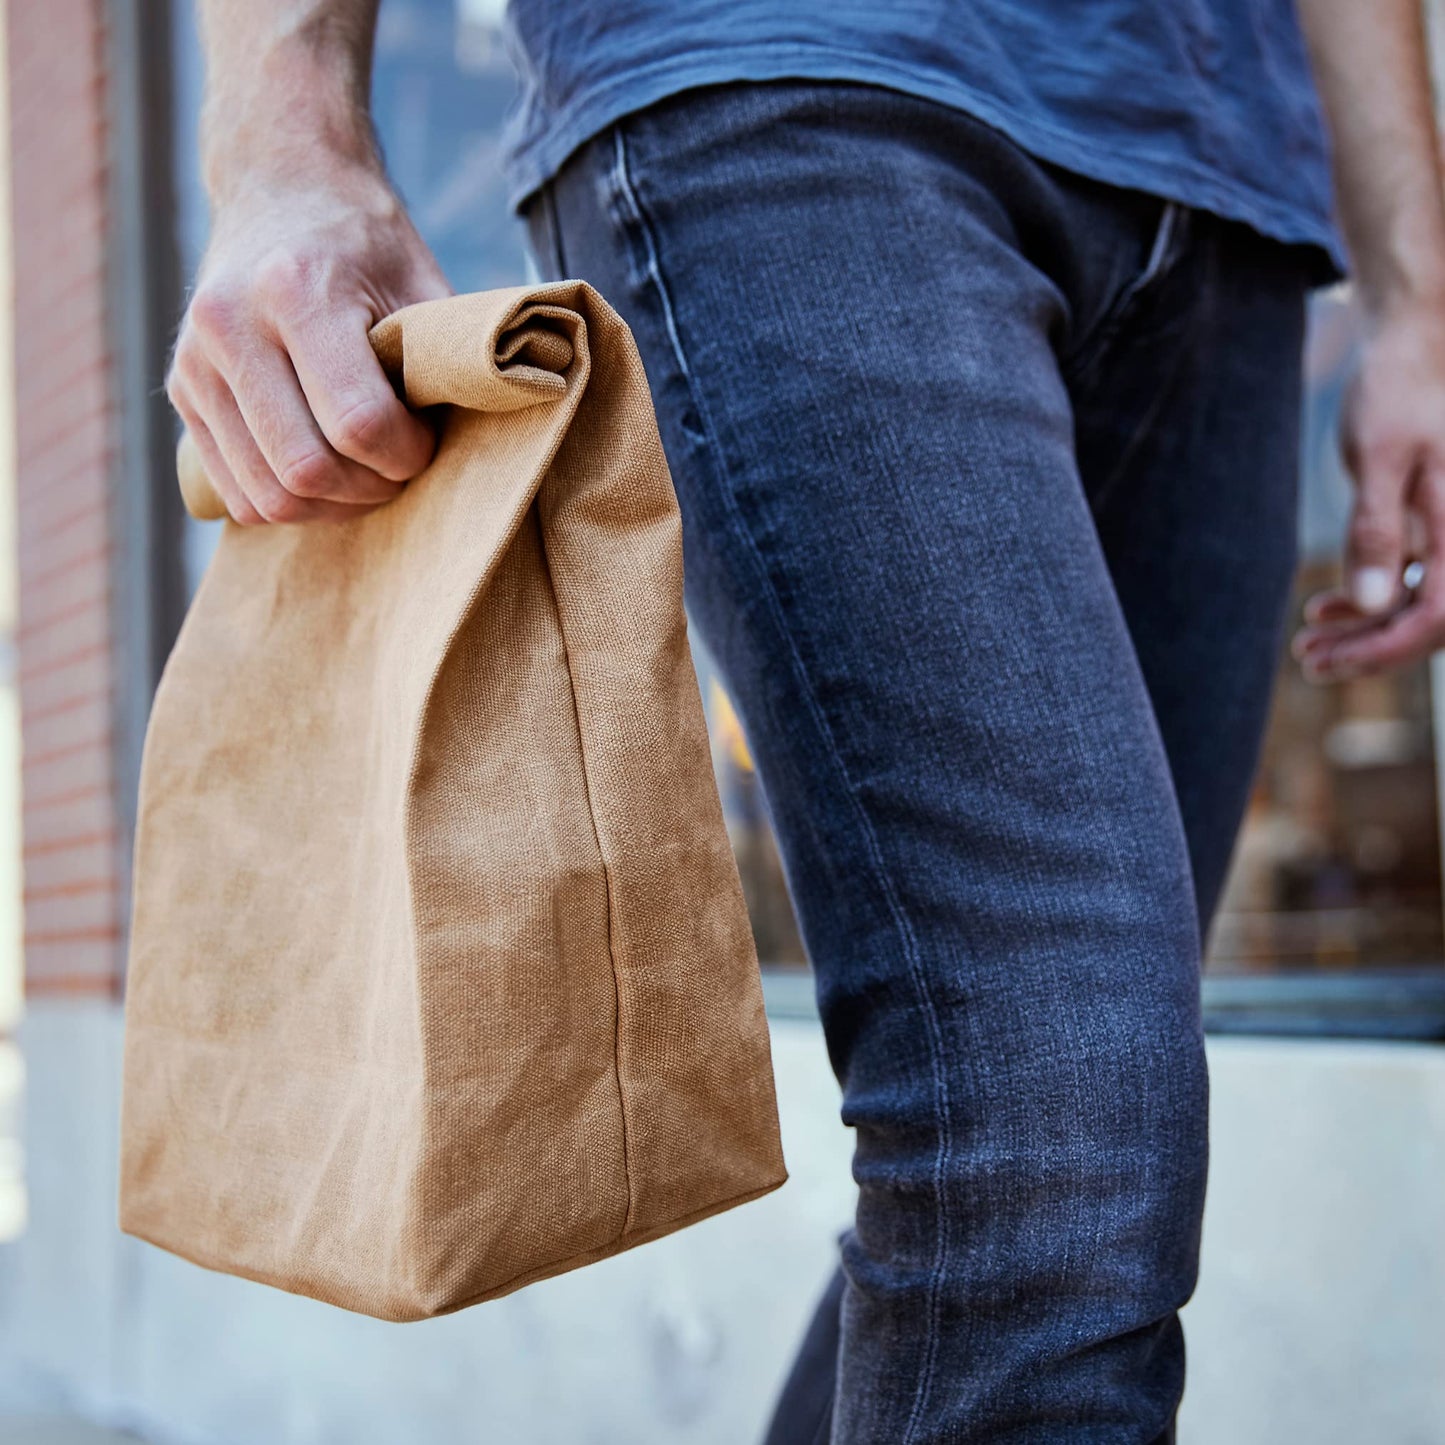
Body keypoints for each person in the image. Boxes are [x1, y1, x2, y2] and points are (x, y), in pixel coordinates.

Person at [166, 1, 1445, 1438]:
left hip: (1223, 194)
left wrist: (1418, 302)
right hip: (789, 82)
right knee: (1056, 1121)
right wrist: (282, 137)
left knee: (1042, 1150)